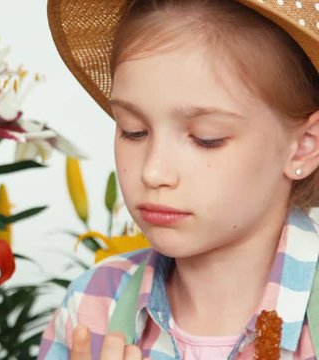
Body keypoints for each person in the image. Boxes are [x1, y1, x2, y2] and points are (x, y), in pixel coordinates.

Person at [40, 0, 319, 359]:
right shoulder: (91, 304)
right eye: (134, 131)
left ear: (303, 147)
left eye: (207, 137)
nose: (153, 172)